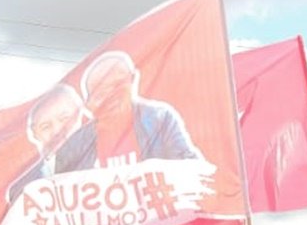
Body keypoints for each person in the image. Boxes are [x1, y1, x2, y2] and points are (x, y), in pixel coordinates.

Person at [55, 50, 203, 171]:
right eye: (101, 92)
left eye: (117, 85)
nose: (111, 96)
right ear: (89, 105)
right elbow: (58, 189)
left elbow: (190, 168)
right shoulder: (75, 145)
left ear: (132, 80)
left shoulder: (160, 119)